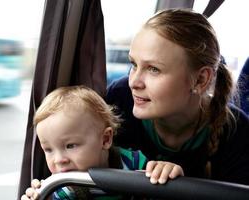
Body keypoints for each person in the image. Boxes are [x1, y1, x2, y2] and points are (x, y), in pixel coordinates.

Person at [106, 8, 249, 185]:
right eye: (134, 64)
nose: (134, 82)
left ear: (200, 80)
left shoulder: (238, 135)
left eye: (153, 69)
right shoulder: (119, 99)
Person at [21, 85, 184, 200]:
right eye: (48, 149)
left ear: (105, 139)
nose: (58, 160)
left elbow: (159, 192)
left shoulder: (135, 163)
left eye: (70, 146)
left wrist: (165, 174)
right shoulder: (64, 188)